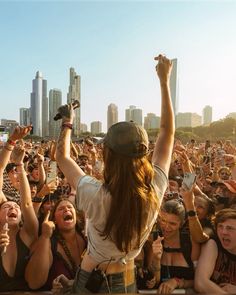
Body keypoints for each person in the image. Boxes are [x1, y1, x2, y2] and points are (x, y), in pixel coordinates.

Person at [55, 54, 174, 293]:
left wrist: (68, 123)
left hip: (92, 279)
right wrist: (164, 81)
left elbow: (62, 157)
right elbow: (167, 133)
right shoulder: (154, 190)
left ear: (108, 156)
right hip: (126, 281)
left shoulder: (94, 193)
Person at [0, 126, 39, 291]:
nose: (13, 207)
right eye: (6, 206)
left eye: (16, 206)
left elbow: (27, 203)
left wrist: (20, 165)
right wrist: (11, 141)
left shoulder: (29, 232)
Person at [25, 198, 86, 290]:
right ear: (54, 220)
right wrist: (45, 236)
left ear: (76, 217)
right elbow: (34, 283)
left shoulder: (87, 238)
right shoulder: (49, 242)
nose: (66, 209)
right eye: (61, 209)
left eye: (70, 207)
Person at [151, 199, 200, 294]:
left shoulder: (191, 242)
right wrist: (156, 260)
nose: (166, 227)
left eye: (172, 223)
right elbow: (153, 283)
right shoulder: (153, 239)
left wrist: (177, 282)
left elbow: (200, 281)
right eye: (163, 221)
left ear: (182, 223)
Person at [195, 208, 236, 294]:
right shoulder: (213, 244)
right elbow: (200, 283)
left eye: (230, 228)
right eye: (220, 226)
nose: (224, 232)